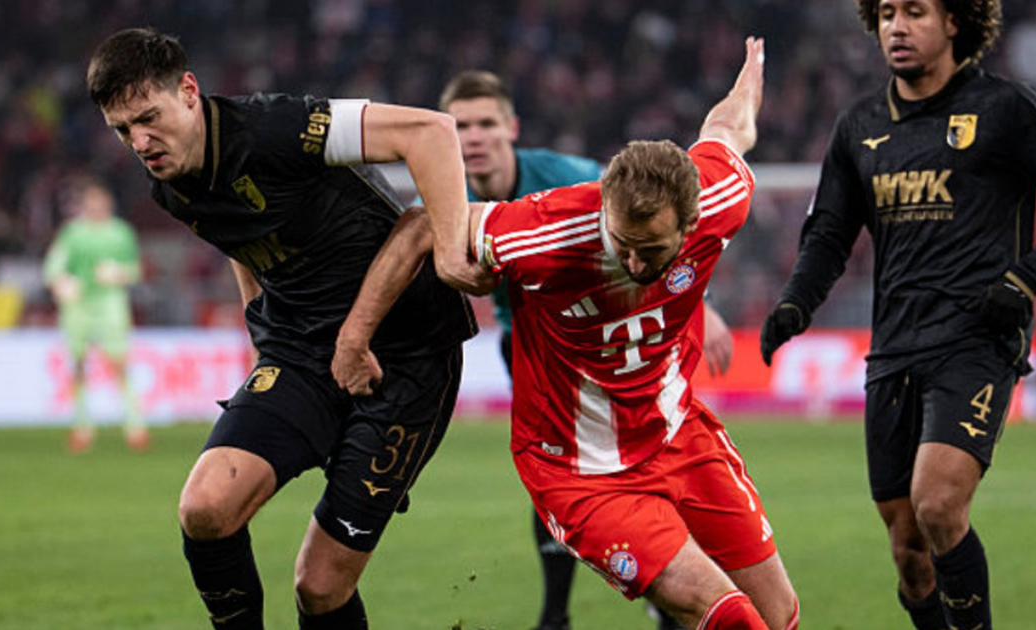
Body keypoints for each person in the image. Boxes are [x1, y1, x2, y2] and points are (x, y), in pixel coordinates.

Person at [356, 37, 798, 630]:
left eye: (654, 251)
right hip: (580, 472)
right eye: (625, 246)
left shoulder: (720, 196)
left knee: (781, 614)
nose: (638, 266)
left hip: (679, 437)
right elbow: (416, 228)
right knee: (728, 616)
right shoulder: (551, 230)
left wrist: (753, 74)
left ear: (691, 224)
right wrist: (353, 339)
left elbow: (729, 126)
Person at [86, 27, 478, 630]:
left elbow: (429, 132)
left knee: (319, 587)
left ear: (189, 91)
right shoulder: (169, 184)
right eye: (122, 130)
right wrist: (259, 327)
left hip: (407, 356)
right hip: (302, 351)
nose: (139, 141)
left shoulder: (275, 127)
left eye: (147, 117)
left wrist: (452, 252)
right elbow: (237, 234)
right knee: (206, 509)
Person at [759, 2, 1036, 629]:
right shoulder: (860, 126)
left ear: (956, 21)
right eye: (885, 14)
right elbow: (829, 233)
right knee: (908, 548)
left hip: (976, 341)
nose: (896, 27)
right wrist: (797, 302)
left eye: (915, 12)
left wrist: (1027, 278)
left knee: (937, 504)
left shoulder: (1007, 110)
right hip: (894, 348)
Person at [439, 69, 735, 630]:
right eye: (460, 127)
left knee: (642, 455)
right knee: (558, 465)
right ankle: (560, 613)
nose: (472, 137)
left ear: (511, 127)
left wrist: (707, 304)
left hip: (612, 335)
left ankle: (659, 575)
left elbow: (654, 221)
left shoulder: (569, 178)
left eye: (484, 124)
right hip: (533, 344)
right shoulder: (448, 189)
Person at [42, 177, 146, 452]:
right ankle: (82, 425)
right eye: (92, 202)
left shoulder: (121, 233)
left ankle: (134, 425)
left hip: (111, 302)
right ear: (85, 205)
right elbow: (53, 266)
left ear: (109, 205)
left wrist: (119, 273)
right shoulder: (73, 233)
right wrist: (61, 283)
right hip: (78, 304)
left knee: (120, 362)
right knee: (78, 364)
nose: (97, 207)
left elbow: (135, 270)